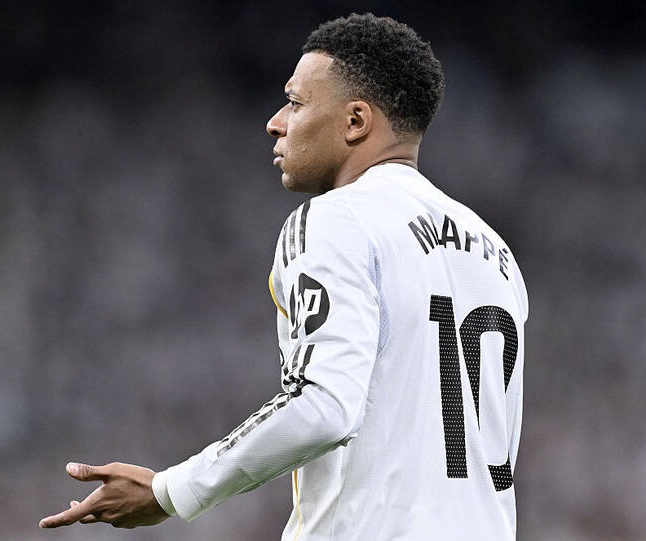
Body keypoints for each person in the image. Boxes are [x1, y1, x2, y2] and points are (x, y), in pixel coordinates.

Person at [39, 12, 528, 540]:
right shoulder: (496, 254)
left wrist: (170, 490)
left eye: (295, 103)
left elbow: (324, 406)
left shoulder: (338, 218)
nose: (276, 122)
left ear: (356, 121)